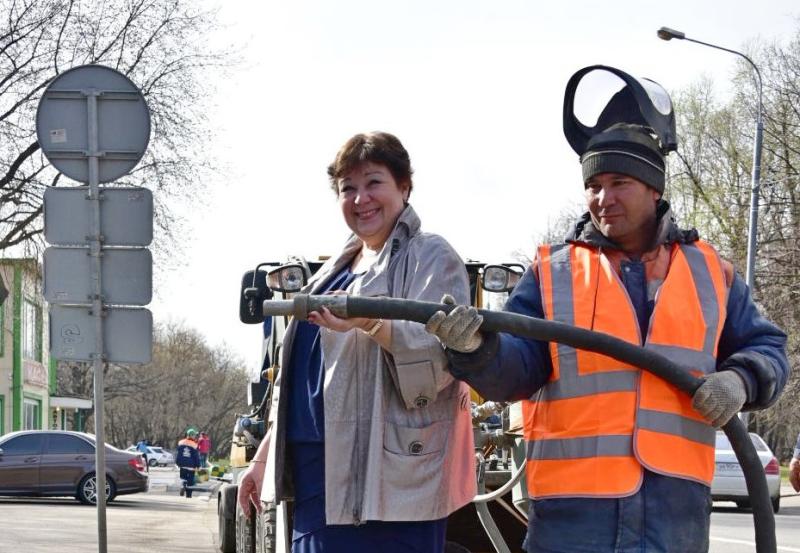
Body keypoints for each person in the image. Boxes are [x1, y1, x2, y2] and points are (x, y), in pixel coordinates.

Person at [425, 65, 789, 553]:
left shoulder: (710, 273)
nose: (603, 198)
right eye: (593, 185)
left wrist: (740, 381)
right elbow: (517, 370)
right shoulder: (553, 273)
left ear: (654, 188)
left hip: (673, 515)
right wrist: (476, 348)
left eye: (619, 182)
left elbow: (768, 347)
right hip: (573, 518)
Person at [238, 131, 475, 552]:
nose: (361, 198)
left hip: (391, 487)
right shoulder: (330, 272)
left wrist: (371, 323)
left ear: (404, 187)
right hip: (317, 477)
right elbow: (298, 388)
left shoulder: (430, 256)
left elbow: (443, 361)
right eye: (348, 188)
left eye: (373, 183)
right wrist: (260, 462)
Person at [176, 429, 201, 498]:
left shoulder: (180, 442)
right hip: (191, 465)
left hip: (182, 464)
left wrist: (177, 462)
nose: (195, 436)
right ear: (191, 435)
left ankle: (183, 484)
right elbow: (196, 457)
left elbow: (178, 454)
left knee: (183, 477)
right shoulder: (194, 445)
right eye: (194, 435)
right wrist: (198, 465)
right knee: (190, 481)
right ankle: (189, 495)